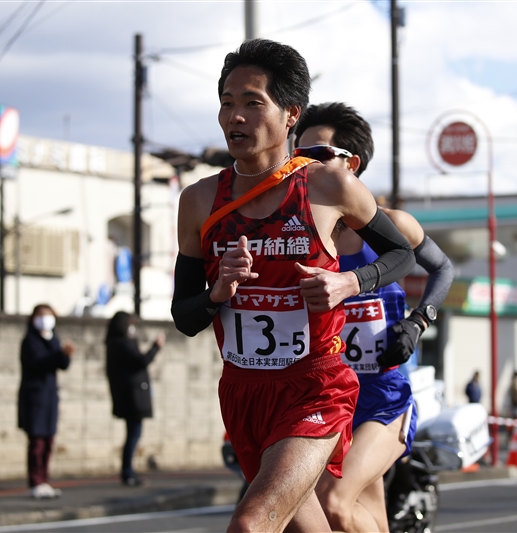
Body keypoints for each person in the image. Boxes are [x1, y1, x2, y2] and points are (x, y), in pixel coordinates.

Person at [171, 39, 415, 533]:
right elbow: (184, 316)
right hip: (243, 392)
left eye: (252, 102)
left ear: (289, 115)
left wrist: (349, 281)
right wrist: (218, 292)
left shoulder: (328, 185)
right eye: (227, 102)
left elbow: (401, 253)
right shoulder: (199, 201)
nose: (235, 117)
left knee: (251, 523)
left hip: (316, 389)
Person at [293, 102, 454, 532]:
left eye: (318, 155)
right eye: (298, 154)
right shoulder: (299, 233)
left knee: (333, 504)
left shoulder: (394, 226)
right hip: (328, 400)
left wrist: (418, 322)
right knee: (365, 518)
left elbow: (443, 269)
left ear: (352, 163)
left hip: (383, 401)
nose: (304, 165)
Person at [17, 304, 74, 499]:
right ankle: (35, 481)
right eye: (41, 315)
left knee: (48, 441)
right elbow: (41, 362)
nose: (45, 319)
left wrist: (65, 355)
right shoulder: (30, 341)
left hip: (49, 398)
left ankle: (44, 480)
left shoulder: (53, 338)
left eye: (48, 315)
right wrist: (59, 354)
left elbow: (61, 364)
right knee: (37, 443)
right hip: (34, 397)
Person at [105, 311, 165, 486]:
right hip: (132, 397)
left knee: (133, 434)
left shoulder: (114, 343)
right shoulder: (121, 344)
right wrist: (156, 347)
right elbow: (141, 360)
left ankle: (129, 471)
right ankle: (128, 472)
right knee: (133, 434)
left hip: (128, 396)